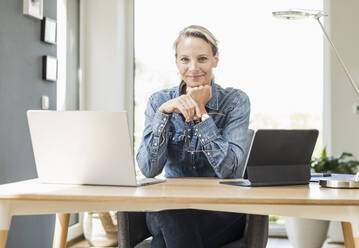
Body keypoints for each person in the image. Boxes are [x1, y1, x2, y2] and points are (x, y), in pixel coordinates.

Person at [136, 25, 250, 248]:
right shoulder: (159, 102)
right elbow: (149, 169)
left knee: (162, 242)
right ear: (176, 61)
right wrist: (163, 114)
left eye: (202, 59)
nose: (193, 68)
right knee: (172, 212)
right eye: (185, 59)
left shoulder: (235, 101)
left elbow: (230, 170)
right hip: (170, 208)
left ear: (215, 60)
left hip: (221, 210)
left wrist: (201, 114)